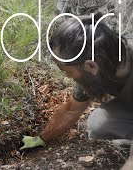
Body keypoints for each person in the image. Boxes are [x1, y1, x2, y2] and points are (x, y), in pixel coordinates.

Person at [20, 12, 133, 169]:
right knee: (98, 123)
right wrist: (40, 139)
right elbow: (70, 111)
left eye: (65, 70)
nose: (66, 76)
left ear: (90, 66)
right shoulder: (98, 62)